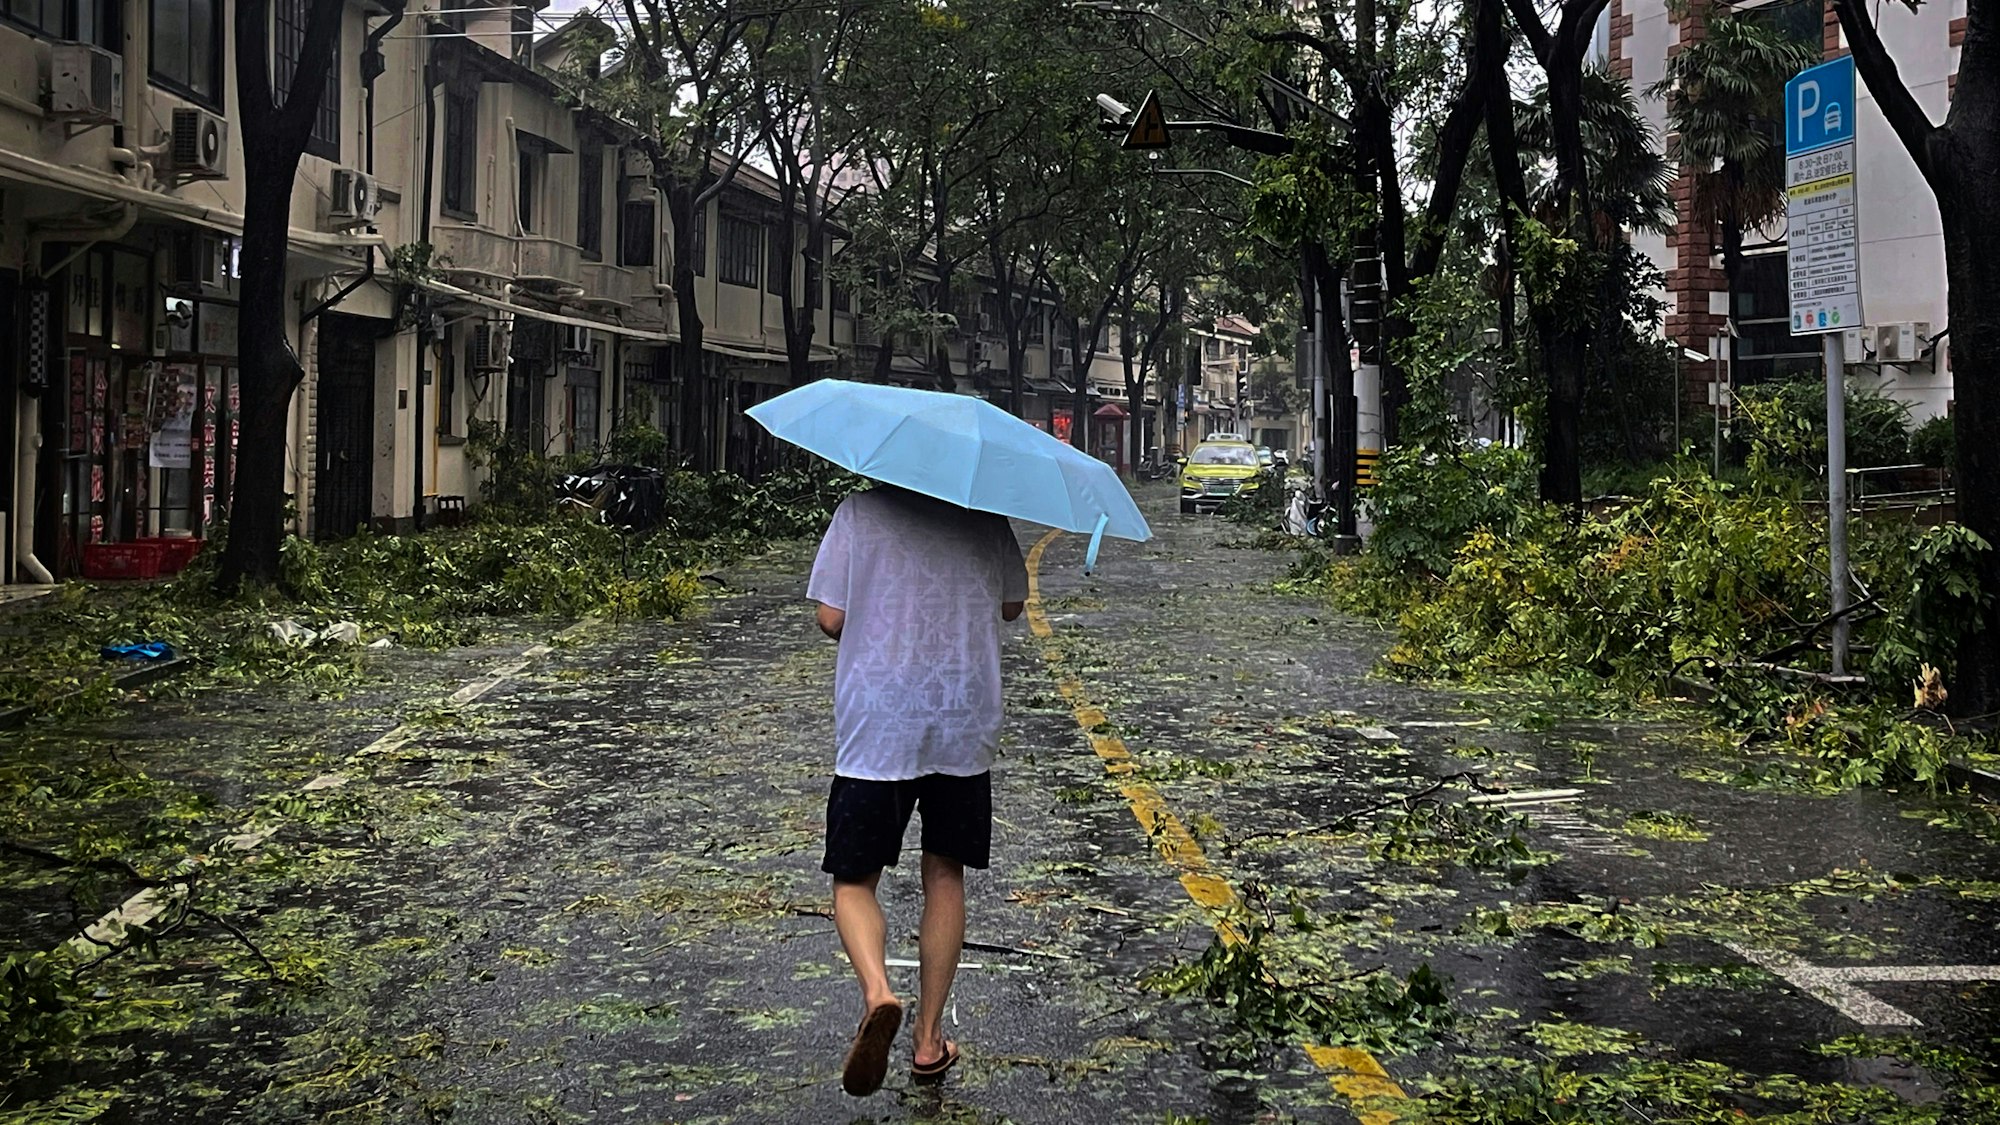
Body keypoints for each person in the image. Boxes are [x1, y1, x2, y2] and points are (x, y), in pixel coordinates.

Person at [807, 483, 1028, 1096]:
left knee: (854, 879)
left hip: (879, 723)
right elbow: (1012, 605)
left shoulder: (858, 512)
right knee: (945, 872)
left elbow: (831, 616)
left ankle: (879, 992)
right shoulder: (986, 514)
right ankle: (929, 1041)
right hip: (962, 716)